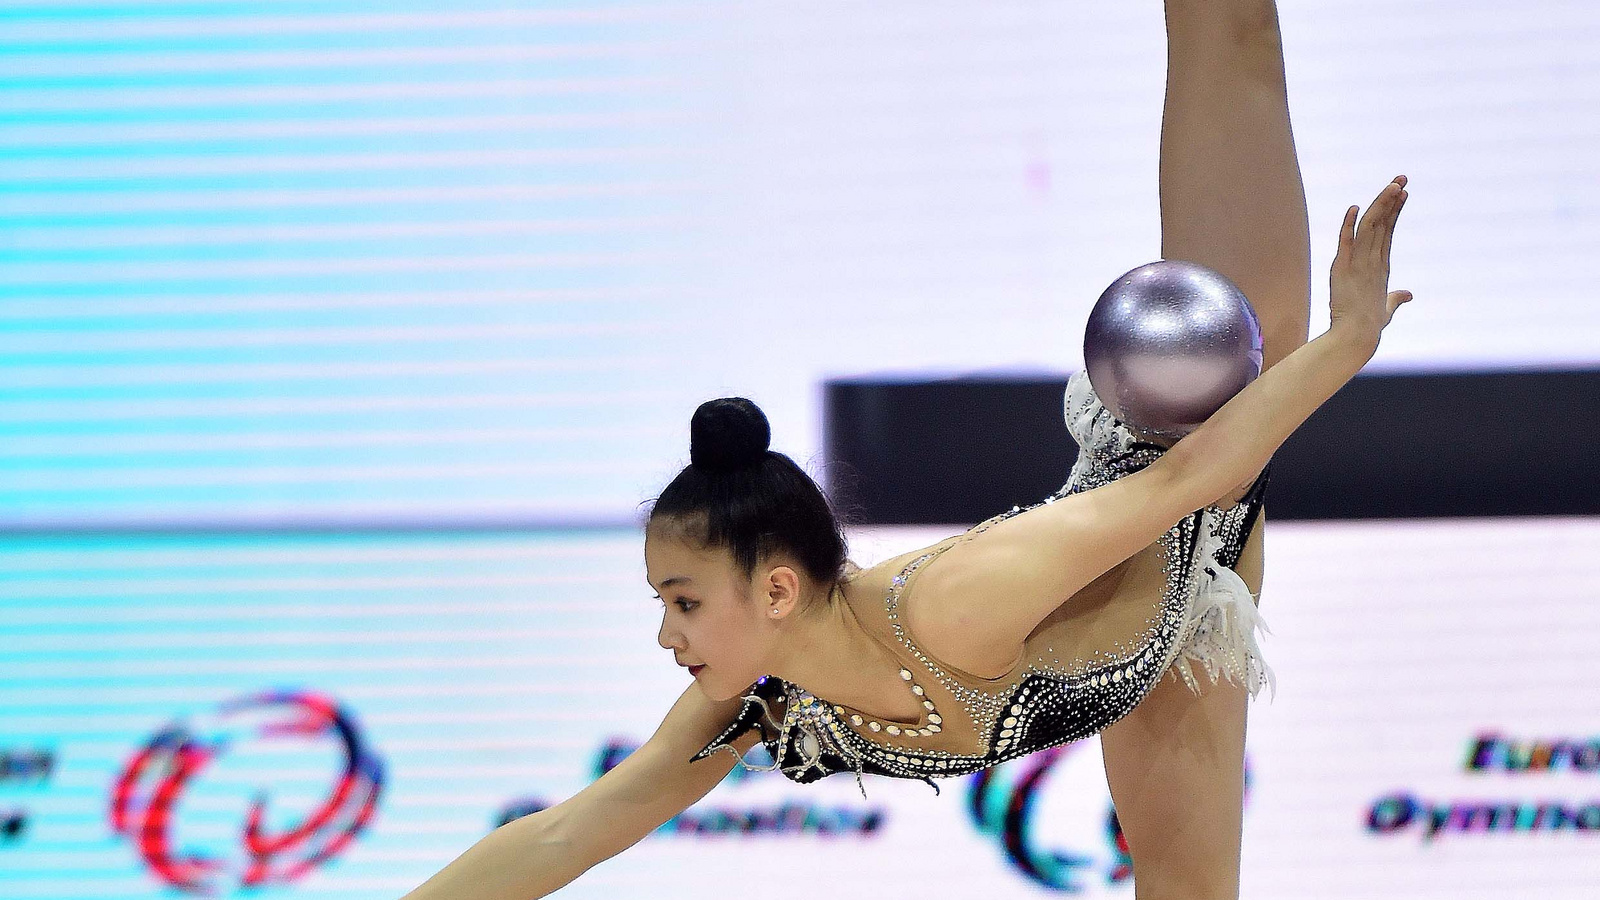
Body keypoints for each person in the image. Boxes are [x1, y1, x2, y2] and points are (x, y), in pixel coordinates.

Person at [400, 0, 1411, 897]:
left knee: (1229, 26)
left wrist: (1345, 343)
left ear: (778, 590)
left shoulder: (960, 603)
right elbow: (566, 836)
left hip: (1196, 426)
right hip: (1154, 635)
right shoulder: (761, 709)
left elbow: (1196, 472)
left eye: (683, 601)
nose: (668, 637)